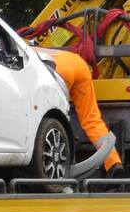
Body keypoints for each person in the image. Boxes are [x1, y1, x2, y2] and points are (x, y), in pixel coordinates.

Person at [35, 48, 123, 176]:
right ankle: (114, 163)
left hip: (56, 68)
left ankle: (63, 171)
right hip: (78, 63)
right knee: (92, 120)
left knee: (54, 118)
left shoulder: (15, 47)